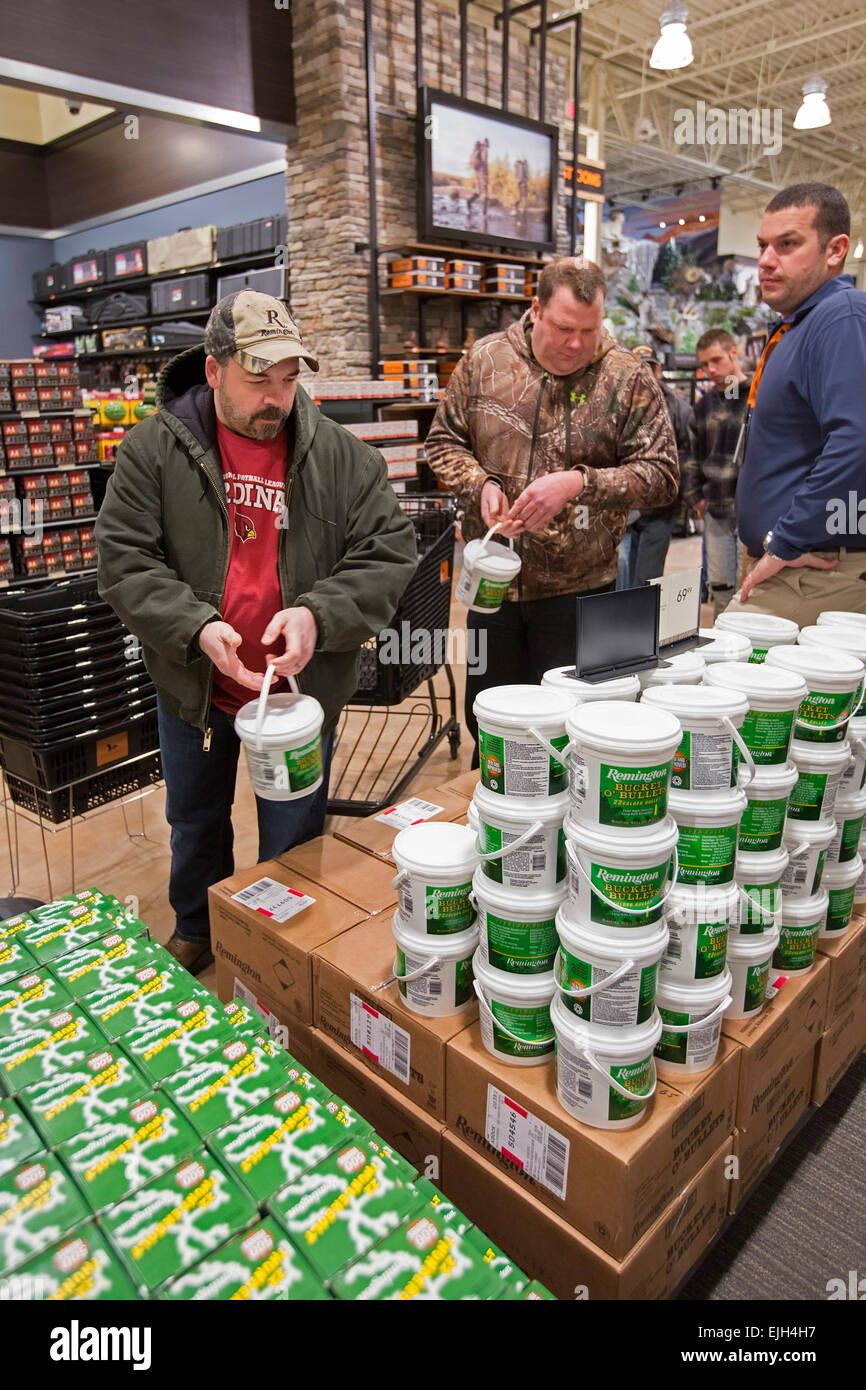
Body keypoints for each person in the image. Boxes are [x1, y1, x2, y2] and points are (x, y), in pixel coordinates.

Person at [96, 291, 417, 972]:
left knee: (295, 834)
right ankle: (197, 926)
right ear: (213, 372)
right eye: (257, 378)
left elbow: (388, 553)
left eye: (289, 377)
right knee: (195, 821)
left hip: (300, 698)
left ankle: (280, 952)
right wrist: (196, 627)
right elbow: (125, 561)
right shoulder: (153, 450)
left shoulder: (342, 457)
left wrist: (317, 614)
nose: (276, 397)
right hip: (195, 687)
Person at [424, 257, 678, 760]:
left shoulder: (626, 376)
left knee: (571, 728)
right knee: (491, 720)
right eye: (564, 327)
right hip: (491, 586)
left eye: (590, 329)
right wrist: (480, 484)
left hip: (580, 591)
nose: (577, 344)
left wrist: (579, 483)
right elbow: (442, 442)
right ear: (535, 308)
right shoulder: (485, 360)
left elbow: (664, 476)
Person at [724, 182, 866, 622]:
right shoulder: (799, 323)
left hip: (813, 571)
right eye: (763, 245)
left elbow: (856, 437)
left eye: (788, 245)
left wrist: (788, 538)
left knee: (722, 672)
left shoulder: (839, 316)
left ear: (835, 250)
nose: (766, 260)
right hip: (795, 561)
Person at [682, 328, 751, 616]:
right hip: (716, 510)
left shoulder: (759, 396)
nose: (710, 369)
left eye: (716, 360)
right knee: (721, 588)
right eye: (704, 364)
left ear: (733, 353)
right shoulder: (703, 406)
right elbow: (689, 454)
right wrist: (694, 496)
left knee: (749, 589)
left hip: (752, 510)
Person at [617, 347, 693, 589]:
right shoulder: (618, 403)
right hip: (625, 509)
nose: (645, 372)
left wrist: (685, 496)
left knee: (647, 581)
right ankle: (620, 626)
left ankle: (642, 626)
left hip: (660, 509)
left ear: (658, 370)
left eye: (650, 367)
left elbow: (687, 455)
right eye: (640, 366)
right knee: (620, 580)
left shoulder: (679, 408)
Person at [466, 138, 489, 218]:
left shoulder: (477, 149)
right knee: (485, 194)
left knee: (478, 192)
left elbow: (474, 162)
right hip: (482, 173)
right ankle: (484, 214)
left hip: (477, 173)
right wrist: (485, 173)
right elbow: (484, 161)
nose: (488, 144)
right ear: (486, 143)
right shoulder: (484, 149)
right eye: (487, 143)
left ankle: (468, 203)